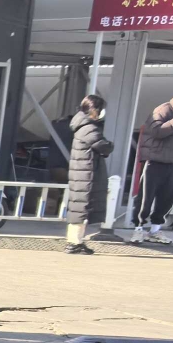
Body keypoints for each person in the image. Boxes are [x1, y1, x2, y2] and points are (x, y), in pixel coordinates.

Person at [129, 90, 173, 242]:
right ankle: (138, 229)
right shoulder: (164, 109)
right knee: (145, 198)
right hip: (156, 160)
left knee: (167, 198)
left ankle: (155, 230)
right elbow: (157, 131)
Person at [63, 93, 115, 254]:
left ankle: (75, 241)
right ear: (94, 110)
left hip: (82, 174)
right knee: (81, 210)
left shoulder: (81, 125)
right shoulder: (89, 128)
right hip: (85, 175)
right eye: (100, 109)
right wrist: (110, 145)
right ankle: (74, 243)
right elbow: (104, 146)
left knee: (79, 209)